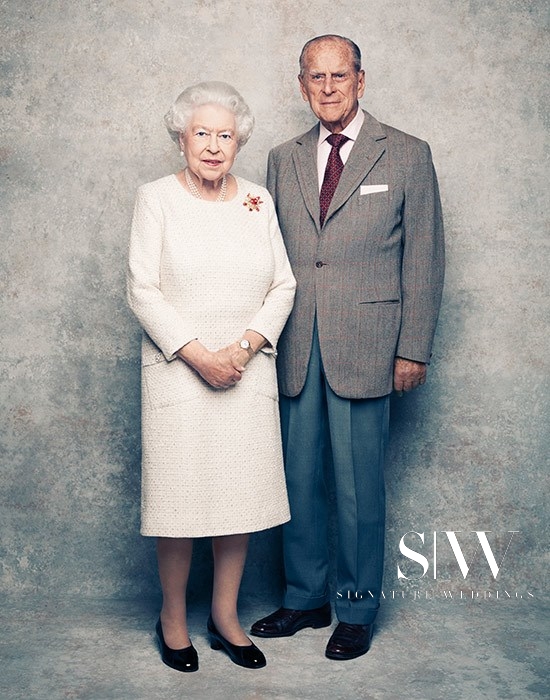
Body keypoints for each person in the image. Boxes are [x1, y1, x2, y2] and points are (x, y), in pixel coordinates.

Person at [251, 35, 445, 660]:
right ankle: (304, 598)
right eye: (316, 77)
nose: (328, 87)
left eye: (340, 76)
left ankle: (356, 609)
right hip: (294, 348)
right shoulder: (281, 158)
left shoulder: (408, 154)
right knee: (298, 481)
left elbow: (425, 259)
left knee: (359, 487)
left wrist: (412, 346)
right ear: (300, 84)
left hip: (369, 345)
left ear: (361, 80)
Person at [127, 81, 296, 672]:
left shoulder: (257, 200)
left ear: (238, 143)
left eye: (226, 135)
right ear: (181, 137)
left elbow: (284, 283)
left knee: (236, 500)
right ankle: (173, 617)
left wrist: (244, 350)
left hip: (245, 373)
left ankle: (226, 617)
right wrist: (200, 355)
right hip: (180, 374)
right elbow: (141, 289)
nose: (214, 145)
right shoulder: (156, 198)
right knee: (180, 504)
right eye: (202, 133)